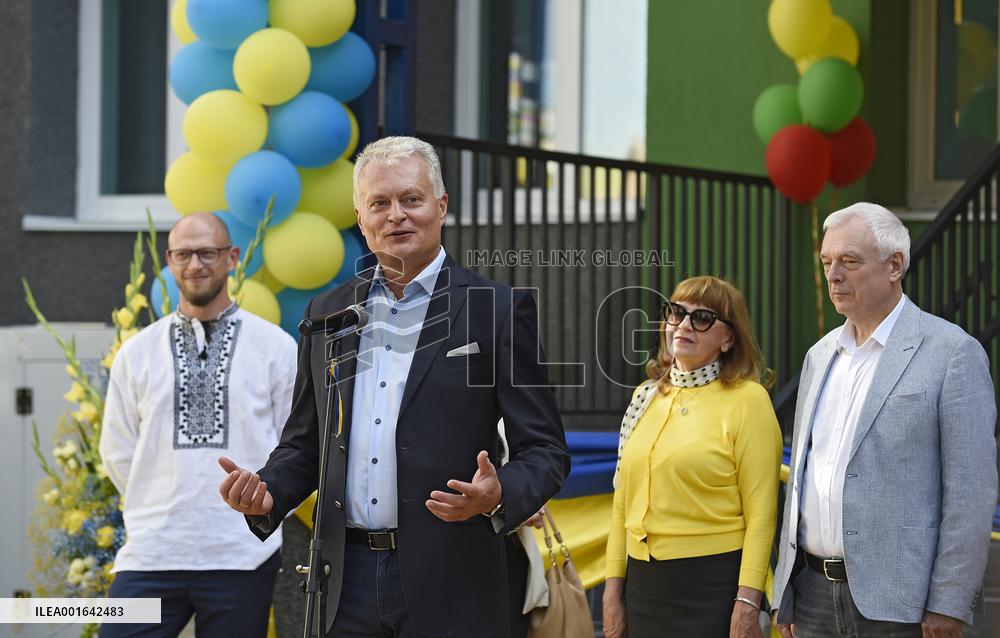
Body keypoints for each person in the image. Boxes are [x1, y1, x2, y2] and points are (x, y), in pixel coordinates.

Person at [219, 136, 570, 638]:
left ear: (441, 206)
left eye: (412, 199)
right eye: (379, 204)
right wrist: (268, 493)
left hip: (457, 578)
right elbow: (304, 443)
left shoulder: (496, 310)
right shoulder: (327, 313)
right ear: (361, 221)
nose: (396, 215)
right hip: (346, 582)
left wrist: (499, 494)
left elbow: (546, 450)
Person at [771, 202, 998, 638]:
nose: (834, 274)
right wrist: (788, 590)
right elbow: (805, 477)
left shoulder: (952, 353)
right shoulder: (819, 357)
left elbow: (971, 490)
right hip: (813, 593)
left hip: (903, 604)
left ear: (895, 266)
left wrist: (949, 603)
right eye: (827, 262)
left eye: (849, 261)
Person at [99, 212, 297, 637]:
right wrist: (158, 499)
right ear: (170, 262)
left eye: (208, 252)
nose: (195, 264)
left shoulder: (276, 348)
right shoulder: (137, 352)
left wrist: (267, 510)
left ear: (232, 258)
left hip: (241, 554)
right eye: (184, 254)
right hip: (152, 553)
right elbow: (117, 450)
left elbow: (298, 448)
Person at [603, 275, 782, 638]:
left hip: (713, 587)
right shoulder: (645, 396)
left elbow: (762, 513)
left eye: (702, 318)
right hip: (643, 588)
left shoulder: (749, 401)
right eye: (675, 313)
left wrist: (747, 603)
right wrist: (611, 591)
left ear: (729, 339)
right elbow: (623, 501)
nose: (683, 325)